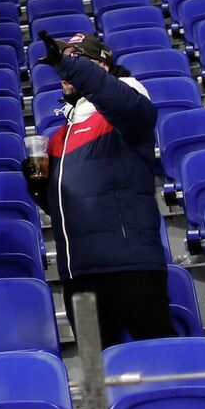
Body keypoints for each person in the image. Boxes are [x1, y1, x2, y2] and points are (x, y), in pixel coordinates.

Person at [32, 31, 172, 344]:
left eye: (75, 61)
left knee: (163, 362)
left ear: (102, 67)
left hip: (130, 266)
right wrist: (37, 186)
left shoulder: (126, 109)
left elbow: (118, 100)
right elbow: (62, 206)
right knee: (98, 377)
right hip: (78, 274)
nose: (64, 71)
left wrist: (69, 67)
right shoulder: (58, 137)